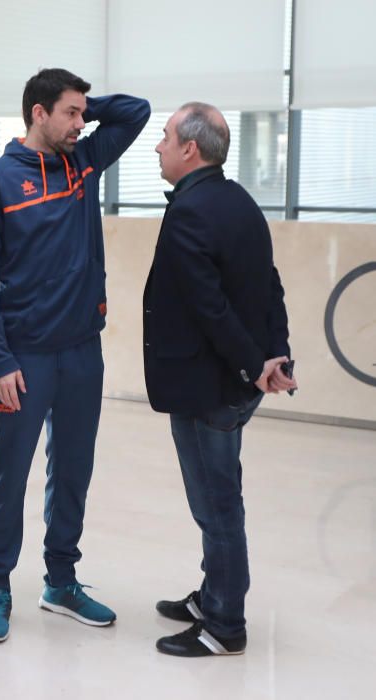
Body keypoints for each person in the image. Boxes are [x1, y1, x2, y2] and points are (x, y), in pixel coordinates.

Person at [0, 68, 150, 643]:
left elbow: (137, 111)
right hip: (24, 356)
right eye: (68, 112)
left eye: (82, 113)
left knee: (72, 469)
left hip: (81, 351)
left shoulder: (82, 163)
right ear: (37, 113)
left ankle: (61, 581)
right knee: (9, 475)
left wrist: (87, 110)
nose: (79, 123)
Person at [145, 102, 295, 657]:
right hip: (232, 384)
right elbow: (268, 288)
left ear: (190, 148)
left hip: (211, 388)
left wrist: (255, 366)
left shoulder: (191, 211)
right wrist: (275, 355)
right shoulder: (238, 201)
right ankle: (214, 594)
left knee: (217, 507)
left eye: (164, 138)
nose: (157, 147)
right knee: (219, 499)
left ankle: (225, 624)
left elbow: (211, 308)